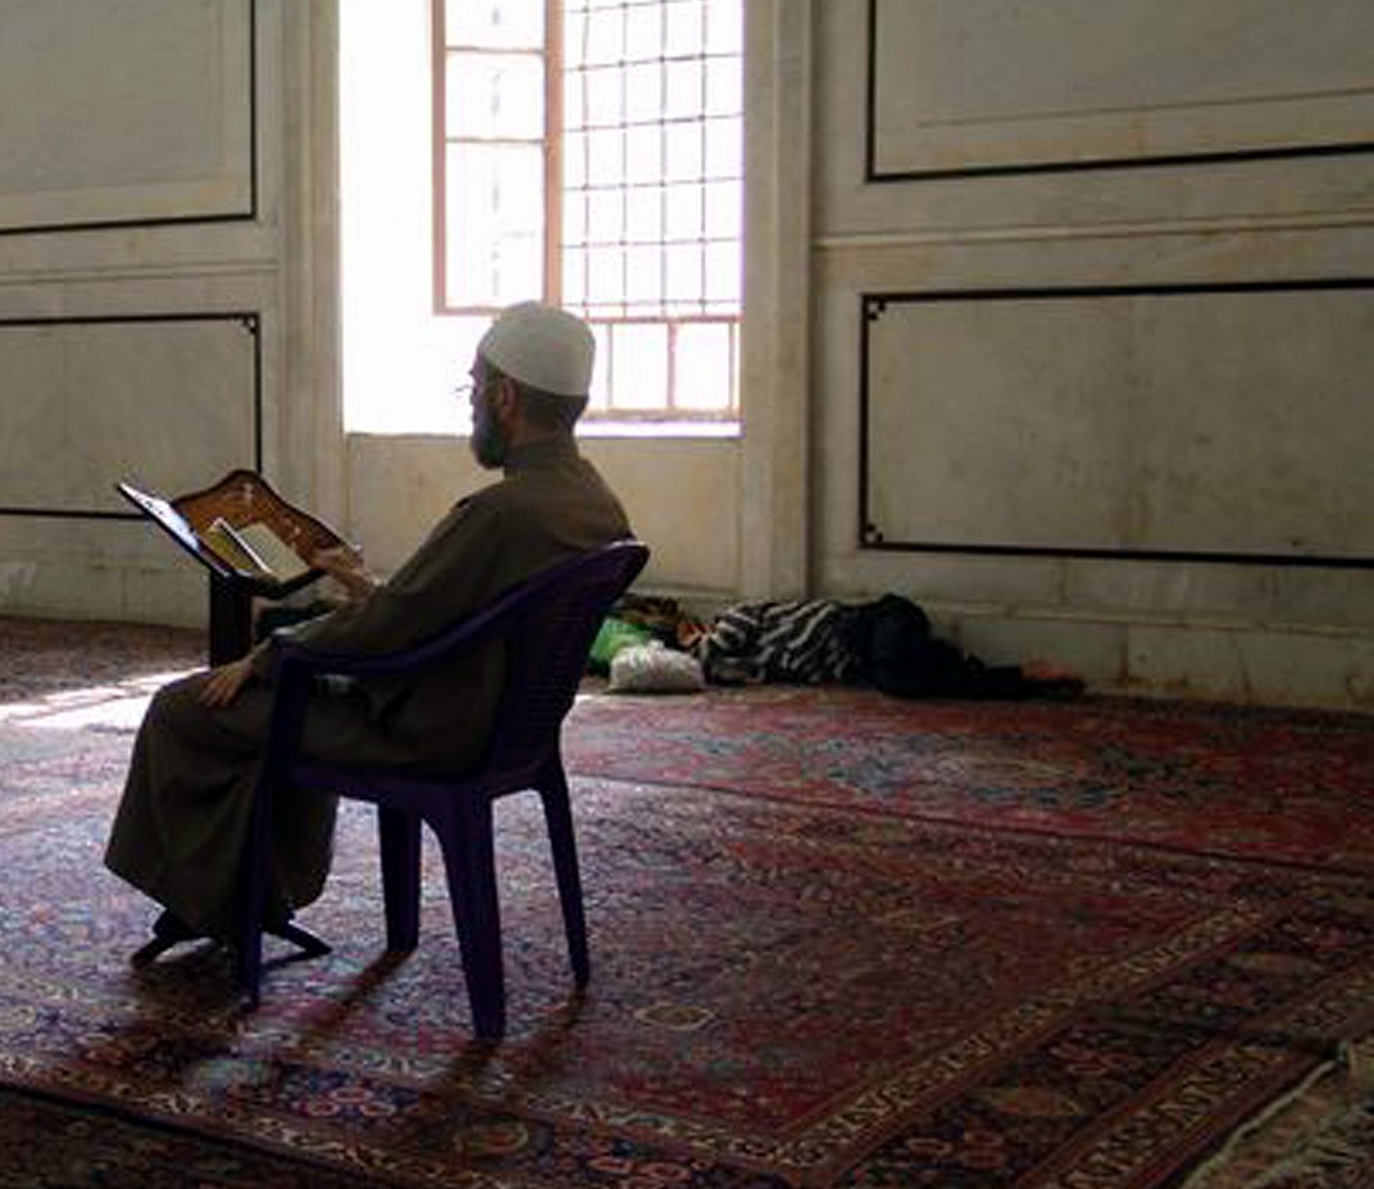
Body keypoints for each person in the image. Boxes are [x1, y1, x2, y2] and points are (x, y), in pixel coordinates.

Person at [104, 302, 633, 959]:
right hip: (501, 725)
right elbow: (442, 611)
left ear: (505, 396)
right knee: (280, 695)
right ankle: (242, 895)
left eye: (473, 387)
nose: (470, 402)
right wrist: (361, 583)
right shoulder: (596, 502)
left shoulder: (499, 513)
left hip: (429, 728)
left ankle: (208, 901)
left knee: (186, 709)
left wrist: (268, 655)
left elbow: (388, 629)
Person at [687, 594, 1083, 699]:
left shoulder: (737, 615)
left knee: (899, 680)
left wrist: (695, 643)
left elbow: (706, 655)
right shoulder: (750, 665)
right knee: (906, 680)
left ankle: (1020, 674)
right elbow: (716, 673)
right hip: (872, 656)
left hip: (879, 620)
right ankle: (1025, 677)